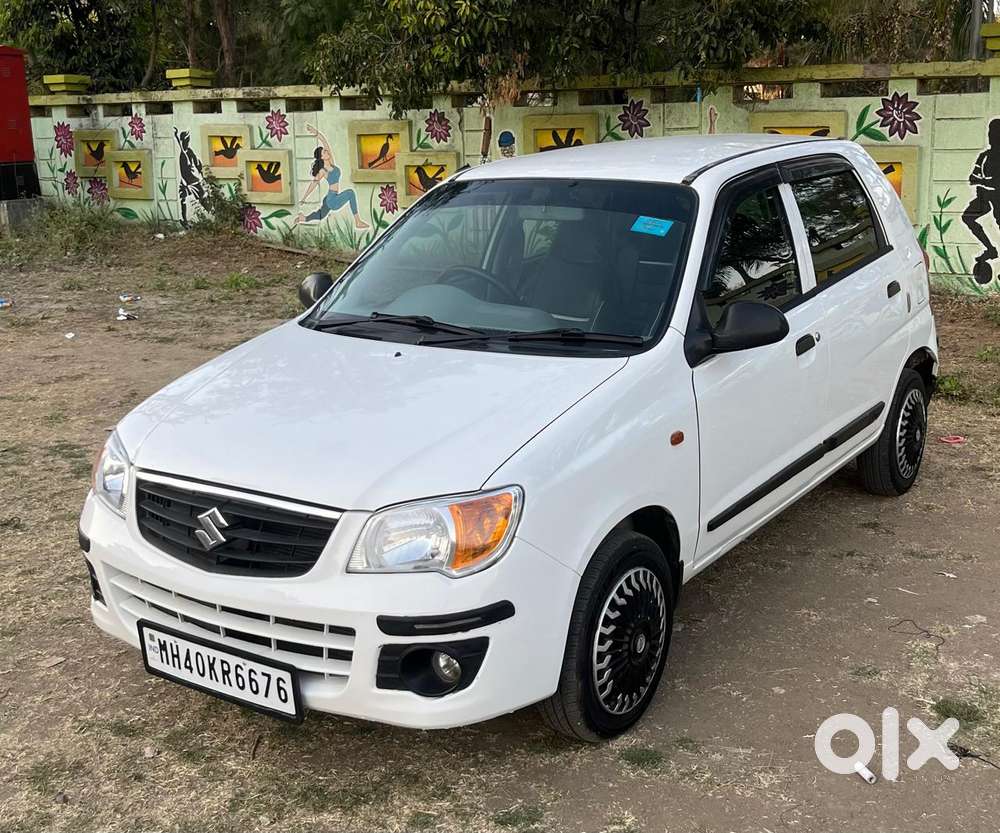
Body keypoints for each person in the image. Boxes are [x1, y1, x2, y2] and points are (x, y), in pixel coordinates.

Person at [295, 124, 369, 229]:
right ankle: (358, 221)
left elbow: (325, 142)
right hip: (332, 199)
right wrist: (304, 198)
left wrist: (315, 132)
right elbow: (313, 184)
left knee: (321, 215)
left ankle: (304, 218)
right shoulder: (323, 171)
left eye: (326, 151)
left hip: (331, 197)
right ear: (322, 157)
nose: (327, 151)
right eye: (324, 152)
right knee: (350, 193)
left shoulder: (332, 163)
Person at [962, 118, 1000, 265]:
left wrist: (982, 181)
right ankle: (990, 249)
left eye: (995, 133)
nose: (990, 137)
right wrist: (984, 181)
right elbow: (973, 177)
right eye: (990, 133)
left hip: (997, 197)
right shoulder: (984, 156)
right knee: (968, 217)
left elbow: (996, 182)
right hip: (983, 197)